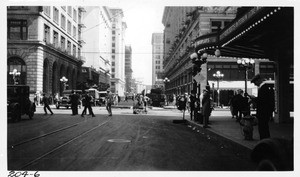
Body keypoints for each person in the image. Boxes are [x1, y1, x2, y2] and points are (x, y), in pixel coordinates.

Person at [251, 74, 275, 140]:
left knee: (263, 128)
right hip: (264, 112)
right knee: (264, 128)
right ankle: (265, 141)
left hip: (263, 113)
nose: (255, 84)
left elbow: (262, 101)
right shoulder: (263, 88)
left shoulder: (263, 88)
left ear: (259, 80)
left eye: (255, 82)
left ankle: (264, 141)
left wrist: (254, 98)